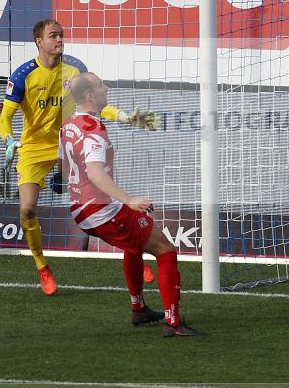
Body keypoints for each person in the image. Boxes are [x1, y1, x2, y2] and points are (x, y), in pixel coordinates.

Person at [0, 19, 158, 295]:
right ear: (39, 42)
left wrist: (125, 116)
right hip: (34, 150)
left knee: (103, 200)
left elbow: (94, 102)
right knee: (27, 210)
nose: (59, 40)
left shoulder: (74, 70)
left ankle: (133, 248)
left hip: (68, 144)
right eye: (53, 36)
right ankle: (42, 266)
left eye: (61, 35)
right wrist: (10, 141)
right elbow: (4, 118)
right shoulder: (23, 74)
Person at [60, 72, 202, 338]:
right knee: (166, 249)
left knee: (135, 244)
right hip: (100, 209)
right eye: (102, 85)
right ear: (90, 96)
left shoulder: (70, 123)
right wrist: (129, 200)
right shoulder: (93, 129)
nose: (107, 88)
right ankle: (174, 322)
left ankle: (139, 309)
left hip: (81, 206)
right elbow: (94, 172)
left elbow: (65, 164)